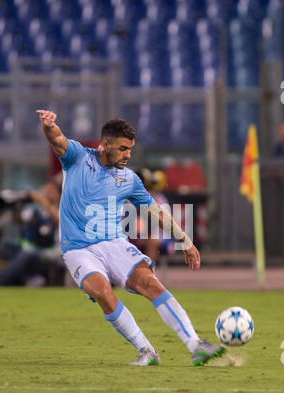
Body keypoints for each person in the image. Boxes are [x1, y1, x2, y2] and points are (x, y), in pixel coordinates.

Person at [36, 109, 226, 367]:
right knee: (103, 292)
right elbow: (57, 139)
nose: (128, 155)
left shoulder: (129, 179)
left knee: (150, 283)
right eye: (123, 148)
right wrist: (48, 125)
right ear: (105, 145)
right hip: (78, 249)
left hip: (114, 244)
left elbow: (157, 213)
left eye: (130, 149)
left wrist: (185, 240)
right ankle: (146, 351)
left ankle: (196, 346)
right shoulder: (78, 157)